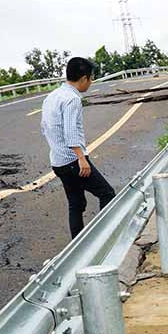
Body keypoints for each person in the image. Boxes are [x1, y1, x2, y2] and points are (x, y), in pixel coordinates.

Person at [41, 57, 116, 239]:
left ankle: (78, 246)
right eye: (91, 79)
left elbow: (44, 128)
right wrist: (81, 158)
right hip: (73, 160)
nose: (91, 83)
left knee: (76, 203)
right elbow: (71, 131)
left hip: (58, 161)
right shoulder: (72, 98)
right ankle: (104, 236)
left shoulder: (52, 96)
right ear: (83, 78)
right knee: (107, 194)